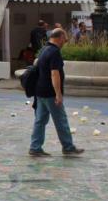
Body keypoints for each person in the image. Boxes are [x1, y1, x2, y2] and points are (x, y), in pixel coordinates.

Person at [30, 28, 84, 157]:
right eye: (65, 38)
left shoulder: (44, 50)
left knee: (40, 120)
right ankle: (68, 147)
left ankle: (35, 147)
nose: (65, 41)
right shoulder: (54, 52)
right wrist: (58, 94)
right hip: (50, 93)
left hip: (40, 91)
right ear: (59, 38)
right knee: (61, 120)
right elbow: (55, 74)